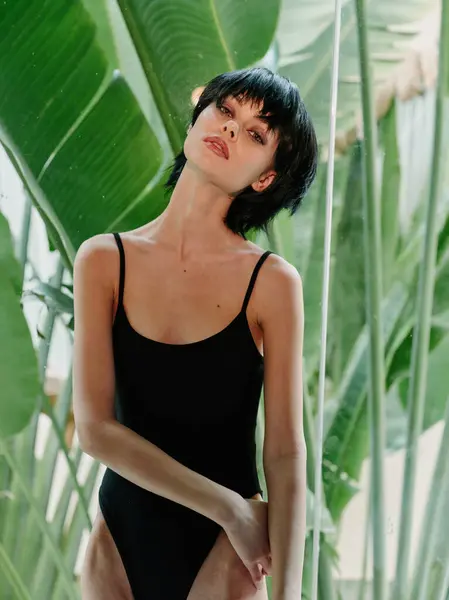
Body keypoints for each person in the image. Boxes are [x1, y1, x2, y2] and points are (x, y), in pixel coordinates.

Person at [73, 66, 317, 600]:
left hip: (228, 552)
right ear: (197, 119)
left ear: (264, 178)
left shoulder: (271, 282)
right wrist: (229, 507)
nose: (231, 129)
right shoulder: (102, 260)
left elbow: (285, 453)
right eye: (225, 111)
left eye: (256, 134)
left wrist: (290, 593)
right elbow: (94, 430)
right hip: (119, 540)